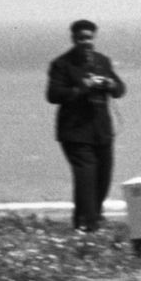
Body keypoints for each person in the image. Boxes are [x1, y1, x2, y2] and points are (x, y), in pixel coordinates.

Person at [46, 19, 126, 233]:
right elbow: (53, 95)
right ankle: (89, 225)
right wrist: (83, 86)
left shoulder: (102, 61)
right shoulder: (61, 64)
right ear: (73, 39)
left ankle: (90, 219)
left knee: (103, 178)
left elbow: (120, 89)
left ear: (94, 38)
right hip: (75, 132)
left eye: (89, 38)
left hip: (101, 130)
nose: (86, 42)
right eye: (81, 38)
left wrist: (110, 84)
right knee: (86, 179)